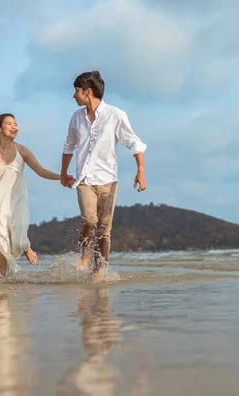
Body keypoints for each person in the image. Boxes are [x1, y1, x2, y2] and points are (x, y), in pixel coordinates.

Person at [0, 113, 72, 277]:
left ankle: (25, 246)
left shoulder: (22, 150)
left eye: (15, 124)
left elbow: (41, 171)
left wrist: (61, 177)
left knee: (16, 234)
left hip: (16, 197)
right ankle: (3, 278)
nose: (14, 127)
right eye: (9, 123)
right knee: (0, 237)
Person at [60, 71, 147, 279]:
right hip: (84, 179)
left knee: (104, 229)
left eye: (76, 91)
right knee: (89, 220)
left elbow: (133, 142)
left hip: (108, 179)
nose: (74, 95)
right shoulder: (76, 117)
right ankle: (84, 256)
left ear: (87, 92)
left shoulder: (115, 115)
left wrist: (140, 170)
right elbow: (69, 146)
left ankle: (98, 271)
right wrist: (63, 173)